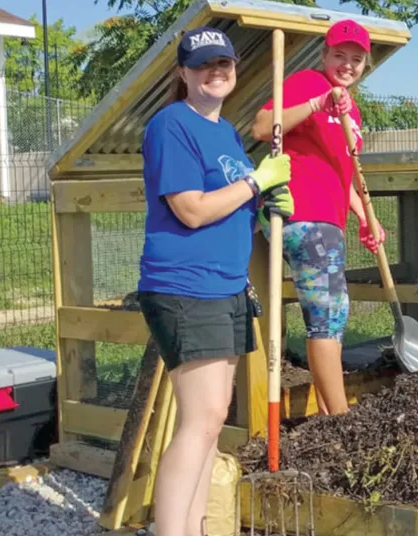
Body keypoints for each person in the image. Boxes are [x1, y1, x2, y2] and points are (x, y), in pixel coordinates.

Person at [137, 27, 293, 536]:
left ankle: (199, 528)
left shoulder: (224, 132)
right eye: (204, 65)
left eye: (223, 64)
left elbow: (228, 208)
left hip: (225, 285)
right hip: (185, 286)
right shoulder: (171, 125)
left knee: (212, 419)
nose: (216, 72)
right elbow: (190, 211)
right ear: (182, 73)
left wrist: (265, 202)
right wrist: (255, 181)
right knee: (200, 421)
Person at [252, 19, 385, 416]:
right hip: (301, 213)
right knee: (327, 317)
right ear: (325, 55)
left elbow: (339, 171)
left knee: (335, 313)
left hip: (328, 218)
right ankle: (344, 422)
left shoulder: (352, 108)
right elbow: (260, 127)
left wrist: (365, 216)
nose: (347, 64)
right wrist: (316, 103)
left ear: (366, 64)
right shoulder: (308, 83)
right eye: (339, 55)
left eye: (356, 59)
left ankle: (330, 414)